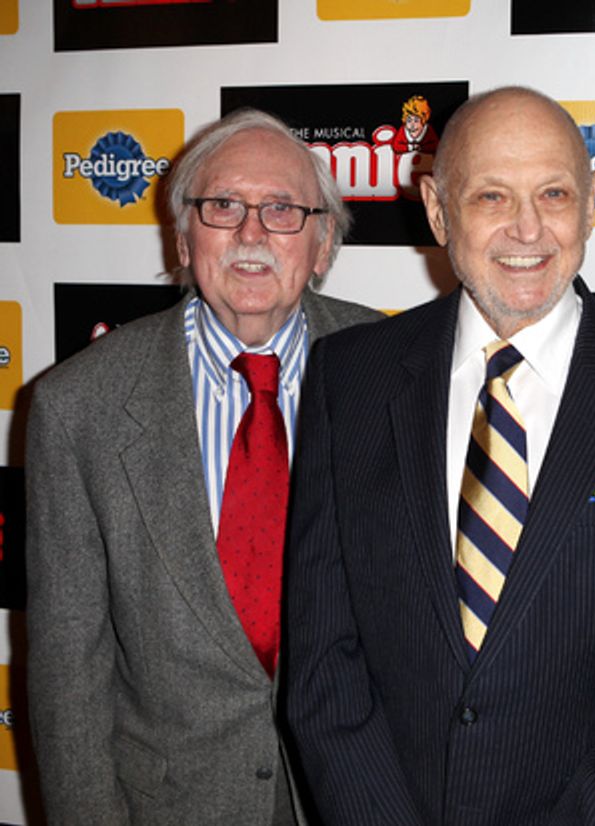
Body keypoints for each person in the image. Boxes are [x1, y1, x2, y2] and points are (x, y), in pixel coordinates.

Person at [282, 86, 595, 825]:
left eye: (553, 193)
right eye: (492, 196)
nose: (528, 229)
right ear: (437, 210)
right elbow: (324, 668)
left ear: (591, 202)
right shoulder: (349, 379)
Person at [25, 108, 381, 825]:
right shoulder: (77, 407)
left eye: (282, 209)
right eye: (222, 207)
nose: (251, 234)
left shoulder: (400, 369)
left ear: (323, 245)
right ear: (183, 238)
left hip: (362, 797)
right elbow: (69, 674)